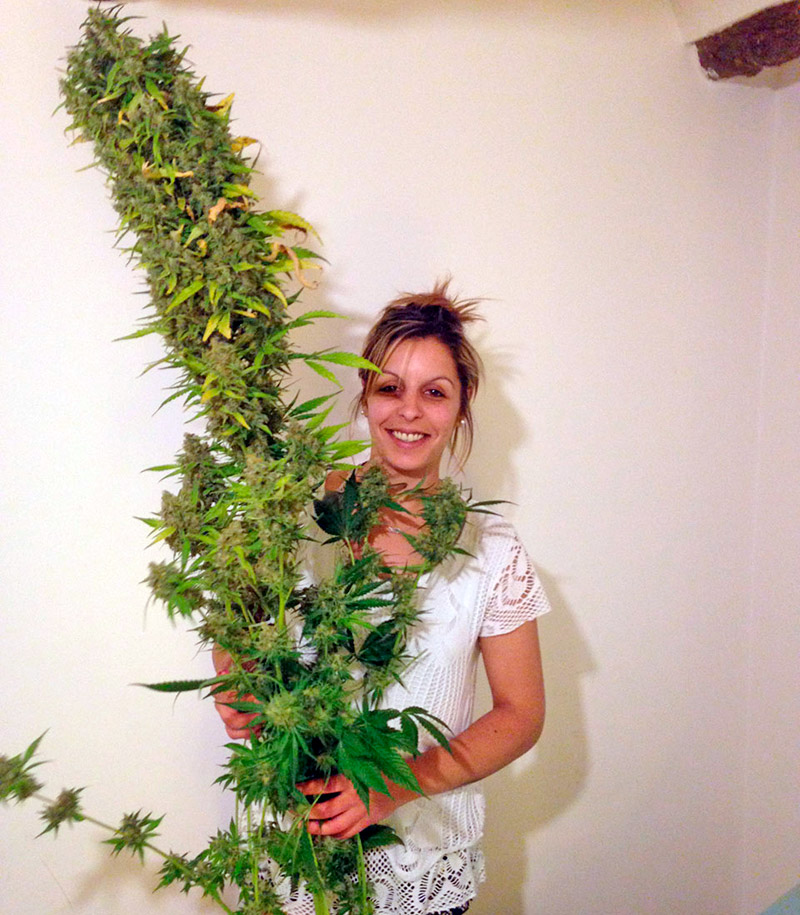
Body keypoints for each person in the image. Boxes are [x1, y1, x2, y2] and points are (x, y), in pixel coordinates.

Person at [213, 280, 550, 915]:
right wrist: (234, 679)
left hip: (421, 858)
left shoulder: (492, 548)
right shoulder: (292, 513)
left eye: (435, 392)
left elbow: (520, 713)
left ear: (462, 406)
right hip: (298, 846)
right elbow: (236, 631)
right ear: (364, 396)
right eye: (390, 388)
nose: (409, 411)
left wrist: (394, 786)